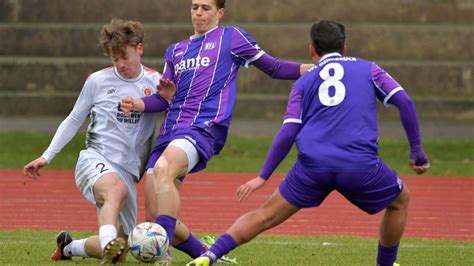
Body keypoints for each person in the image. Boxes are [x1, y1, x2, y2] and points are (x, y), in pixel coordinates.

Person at [186, 20, 430, 266]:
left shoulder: (303, 82)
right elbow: (406, 103)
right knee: (399, 201)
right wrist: (417, 152)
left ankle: (210, 254)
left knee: (264, 216)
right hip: (359, 164)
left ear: (312, 50)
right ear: (344, 48)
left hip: (313, 166)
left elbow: (288, 130)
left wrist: (263, 176)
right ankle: (385, 264)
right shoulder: (369, 69)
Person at [120, 0, 313, 263]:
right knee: (154, 215)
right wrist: (140, 104)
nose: (198, 12)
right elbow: (164, 99)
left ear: (220, 12)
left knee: (165, 169)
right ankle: (208, 255)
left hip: (202, 128)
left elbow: (274, 68)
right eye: (194, 7)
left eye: (205, 8)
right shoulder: (175, 50)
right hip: (170, 130)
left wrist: (312, 69)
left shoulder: (232, 37)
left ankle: (161, 253)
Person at [22, 18, 173, 264]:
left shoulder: (156, 83)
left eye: (125, 57)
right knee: (115, 190)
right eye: (115, 59)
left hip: (129, 171)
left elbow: (172, 111)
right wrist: (47, 155)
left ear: (139, 49)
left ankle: (69, 247)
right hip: (96, 159)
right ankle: (107, 244)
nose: (120, 64)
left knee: (123, 249)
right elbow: (74, 118)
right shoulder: (97, 81)